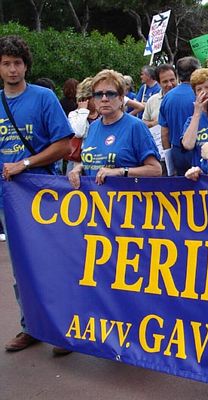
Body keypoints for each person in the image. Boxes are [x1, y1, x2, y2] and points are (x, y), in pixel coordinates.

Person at [0, 35, 73, 353]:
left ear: (26, 66)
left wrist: (25, 163)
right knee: (21, 267)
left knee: (53, 261)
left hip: (42, 194)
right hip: (8, 199)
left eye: (17, 63)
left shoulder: (43, 98)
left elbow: (63, 146)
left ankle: (64, 328)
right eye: (6, 63)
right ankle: (31, 326)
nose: (12, 69)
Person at [68, 69, 161, 188]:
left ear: (121, 99)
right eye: (98, 94)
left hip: (125, 202)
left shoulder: (135, 126)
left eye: (110, 94)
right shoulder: (93, 127)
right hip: (95, 202)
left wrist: (121, 172)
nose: (104, 99)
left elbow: (156, 170)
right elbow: (97, 159)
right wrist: (79, 168)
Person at [159, 56, 201, 175]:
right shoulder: (200, 94)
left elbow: (164, 133)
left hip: (177, 153)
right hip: (199, 150)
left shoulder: (167, 97)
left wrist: (169, 160)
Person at [142, 64, 178, 174]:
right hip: (161, 154)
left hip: (180, 152)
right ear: (158, 82)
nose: (170, 84)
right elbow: (143, 123)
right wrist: (156, 123)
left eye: (172, 80)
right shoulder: (152, 101)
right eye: (165, 81)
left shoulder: (186, 96)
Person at [181, 68, 208, 168]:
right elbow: (188, 145)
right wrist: (197, 113)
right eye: (199, 89)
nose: (204, 92)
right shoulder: (191, 120)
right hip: (201, 175)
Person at [65, 77, 99, 173]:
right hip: (76, 161)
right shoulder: (74, 114)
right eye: (95, 97)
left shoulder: (102, 115)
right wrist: (83, 112)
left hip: (97, 160)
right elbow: (78, 133)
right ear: (86, 98)